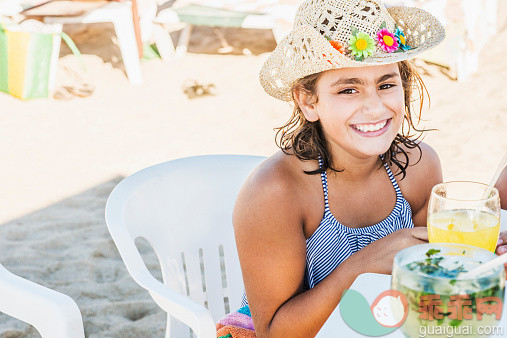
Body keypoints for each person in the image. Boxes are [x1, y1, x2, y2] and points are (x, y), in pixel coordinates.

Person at [217, 1, 446, 337]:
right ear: (308, 102)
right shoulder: (275, 193)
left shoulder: (420, 166)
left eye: (386, 84)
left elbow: (426, 279)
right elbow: (274, 332)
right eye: (348, 89)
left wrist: (478, 257)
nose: (374, 107)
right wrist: (361, 268)